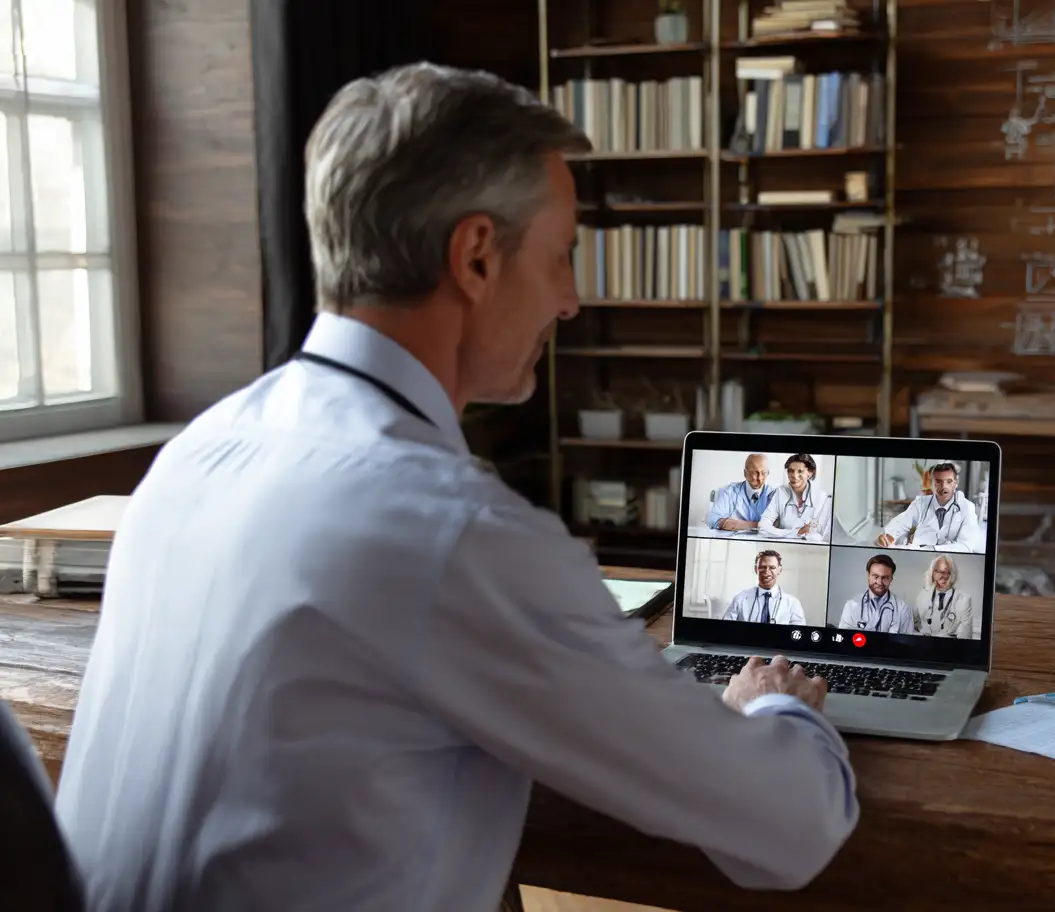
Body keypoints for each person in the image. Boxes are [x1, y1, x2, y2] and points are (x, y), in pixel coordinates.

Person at [53, 64, 858, 912]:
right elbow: (791, 827)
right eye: (561, 256)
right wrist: (775, 710)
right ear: (476, 256)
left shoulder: (199, 451)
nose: (572, 300)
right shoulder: (455, 533)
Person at [877, 462, 984, 552]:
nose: (944, 486)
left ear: (956, 483)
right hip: (918, 558)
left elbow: (967, 545)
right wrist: (889, 535)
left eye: (949, 481)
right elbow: (901, 523)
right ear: (931, 483)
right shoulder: (920, 503)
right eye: (938, 482)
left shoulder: (967, 507)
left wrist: (932, 549)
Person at [760, 453, 833, 543]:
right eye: (790, 471)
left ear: (810, 473)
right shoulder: (780, 492)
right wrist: (797, 532)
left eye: (800, 471)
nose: (794, 475)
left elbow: (821, 536)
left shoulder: (823, 499)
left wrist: (780, 533)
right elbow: (763, 527)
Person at [722, 549, 807, 625]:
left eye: (772, 567)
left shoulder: (793, 603)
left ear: (779, 570)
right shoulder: (740, 599)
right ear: (756, 569)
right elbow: (725, 629)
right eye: (762, 567)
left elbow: (797, 635)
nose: (766, 571)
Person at [836, 554, 914, 633]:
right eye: (875, 576)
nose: (879, 582)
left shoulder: (903, 609)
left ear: (891, 579)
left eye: (885, 578)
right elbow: (844, 640)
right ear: (868, 576)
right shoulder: (851, 606)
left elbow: (906, 643)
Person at [705, 454, 773, 532]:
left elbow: (779, 525)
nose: (759, 478)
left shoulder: (775, 495)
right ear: (745, 473)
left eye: (763, 473)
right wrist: (758, 525)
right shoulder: (728, 492)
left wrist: (735, 524)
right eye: (753, 473)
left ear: (768, 473)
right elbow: (712, 520)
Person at [914, 554, 975, 639]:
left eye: (949, 573)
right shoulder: (922, 595)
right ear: (933, 573)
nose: (945, 577)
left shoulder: (964, 600)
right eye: (941, 572)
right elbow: (915, 625)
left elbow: (966, 636)